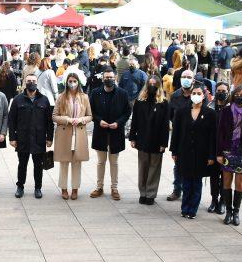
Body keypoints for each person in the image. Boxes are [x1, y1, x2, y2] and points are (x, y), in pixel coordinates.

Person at [170, 82, 216, 219]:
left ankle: (193, 209)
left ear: (204, 96)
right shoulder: (182, 112)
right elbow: (176, 133)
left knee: (196, 183)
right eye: (194, 93)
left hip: (201, 154)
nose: (196, 96)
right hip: (184, 152)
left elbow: (213, 136)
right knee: (186, 182)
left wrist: (211, 155)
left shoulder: (210, 114)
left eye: (199, 93)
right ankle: (185, 208)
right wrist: (174, 151)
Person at [8, 74, 54, 199]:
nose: (31, 83)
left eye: (33, 81)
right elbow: (11, 120)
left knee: (38, 165)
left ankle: (38, 188)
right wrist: (12, 138)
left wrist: (50, 138)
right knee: (22, 164)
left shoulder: (44, 100)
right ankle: (20, 187)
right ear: (25, 82)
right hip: (22, 138)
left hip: (39, 139)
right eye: (29, 81)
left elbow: (49, 121)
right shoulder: (18, 99)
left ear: (37, 83)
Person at [216, 85, 242, 226]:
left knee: (239, 184)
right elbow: (220, 133)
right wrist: (219, 153)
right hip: (228, 151)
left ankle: (236, 212)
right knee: (226, 182)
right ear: (233, 95)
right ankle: (228, 211)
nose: (240, 96)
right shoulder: (226, 111)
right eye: (238, 94)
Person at [88, 67, 131, 200]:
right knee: (101, 161)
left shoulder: (122, 93)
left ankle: (114, 188)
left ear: (115, 78)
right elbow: (91, 112)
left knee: (114, 162)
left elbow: (127, 112)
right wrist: (99, 120)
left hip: (115, 132)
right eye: (106, 77)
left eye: (111, 77)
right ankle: (99, 187)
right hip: (100, 131)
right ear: (102, 79)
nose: (109, 79)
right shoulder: (95, 93)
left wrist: (119, 123)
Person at [129, 75, 170, 205]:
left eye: (154, 84)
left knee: (154, 167)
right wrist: (132, 137)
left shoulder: (163, 103)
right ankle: (143, 192)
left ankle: (151, 193)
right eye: (150, 83)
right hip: (142, 139)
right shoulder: (140, 101)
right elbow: (134, 120)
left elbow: (165, 124)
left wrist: (164, 142)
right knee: (143, 166)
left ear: (158, 86)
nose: (152, 85)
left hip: (157, 140)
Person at [52, 72, 92, 200]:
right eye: (70, 81)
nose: (72, 83)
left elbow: (90, 116)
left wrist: (81, 119)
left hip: (79, 133)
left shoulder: (84, 97)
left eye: (75, 81)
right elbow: (54, 116)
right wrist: (67, 119)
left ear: (78, 82)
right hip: (65, 133)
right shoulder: (61, 97)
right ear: (66, 82)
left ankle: (75, 189)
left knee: (77, 162)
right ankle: (64, 189)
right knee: (64, 162)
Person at [166, 69, 195, 201]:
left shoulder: (198, 94)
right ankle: (177, 189)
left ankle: (191, 191)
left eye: (189, 77)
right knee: (178, 164)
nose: (186, 79)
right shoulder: (175, 96)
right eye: (184, 77)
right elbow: (170, 115)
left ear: (193, 80)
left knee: (193, 164)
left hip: (195, 136)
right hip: (179, 135)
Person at [206, 82, 230, 214]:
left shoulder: (231, 109)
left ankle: (223, 201)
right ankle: (214, 200)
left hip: (227, 149)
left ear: (228, 92)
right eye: (219, 90)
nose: (221, 92)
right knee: (214, 176)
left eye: (223, 90)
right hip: (213, 148)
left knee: (225, 176)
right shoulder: (210, 108)